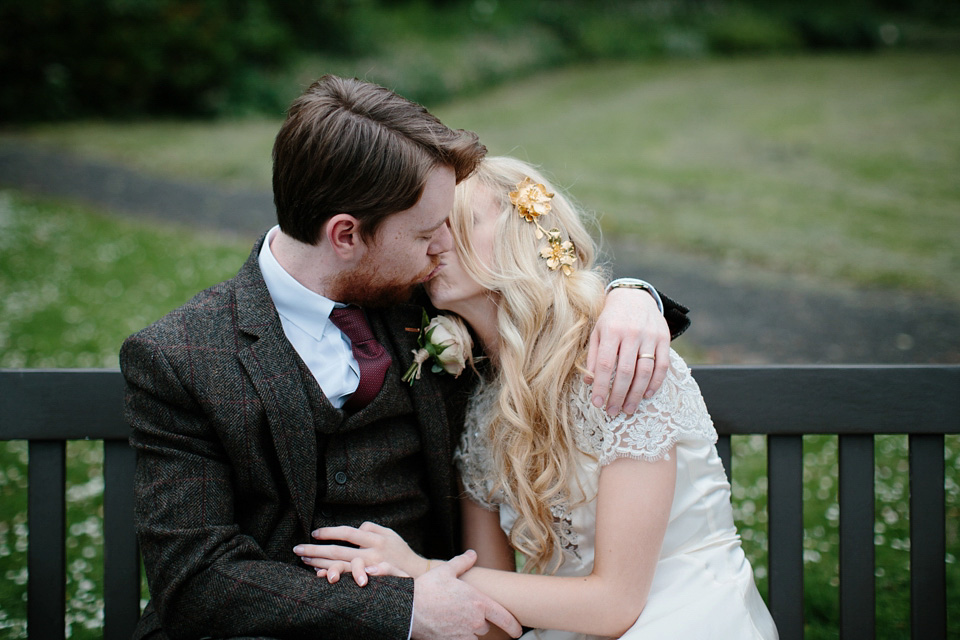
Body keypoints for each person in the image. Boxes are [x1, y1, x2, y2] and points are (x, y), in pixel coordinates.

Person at [121, 76, 690, 640]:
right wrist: (407, 609)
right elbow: (196, 578)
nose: (445, 245)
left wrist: (633, 297)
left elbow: (537, 302)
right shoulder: (181, 358)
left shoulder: (433, 296)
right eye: (427, 231)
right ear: (346, 235)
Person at [295, 156, 778, 639]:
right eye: (431, 226)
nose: (436, 241)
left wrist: (420, 570)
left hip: (685, 615)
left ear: (523, 232)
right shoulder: (480, 409)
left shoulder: (620, 367)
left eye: (459, 221)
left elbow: (615, 604)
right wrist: (395, 588)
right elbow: (497, 623)